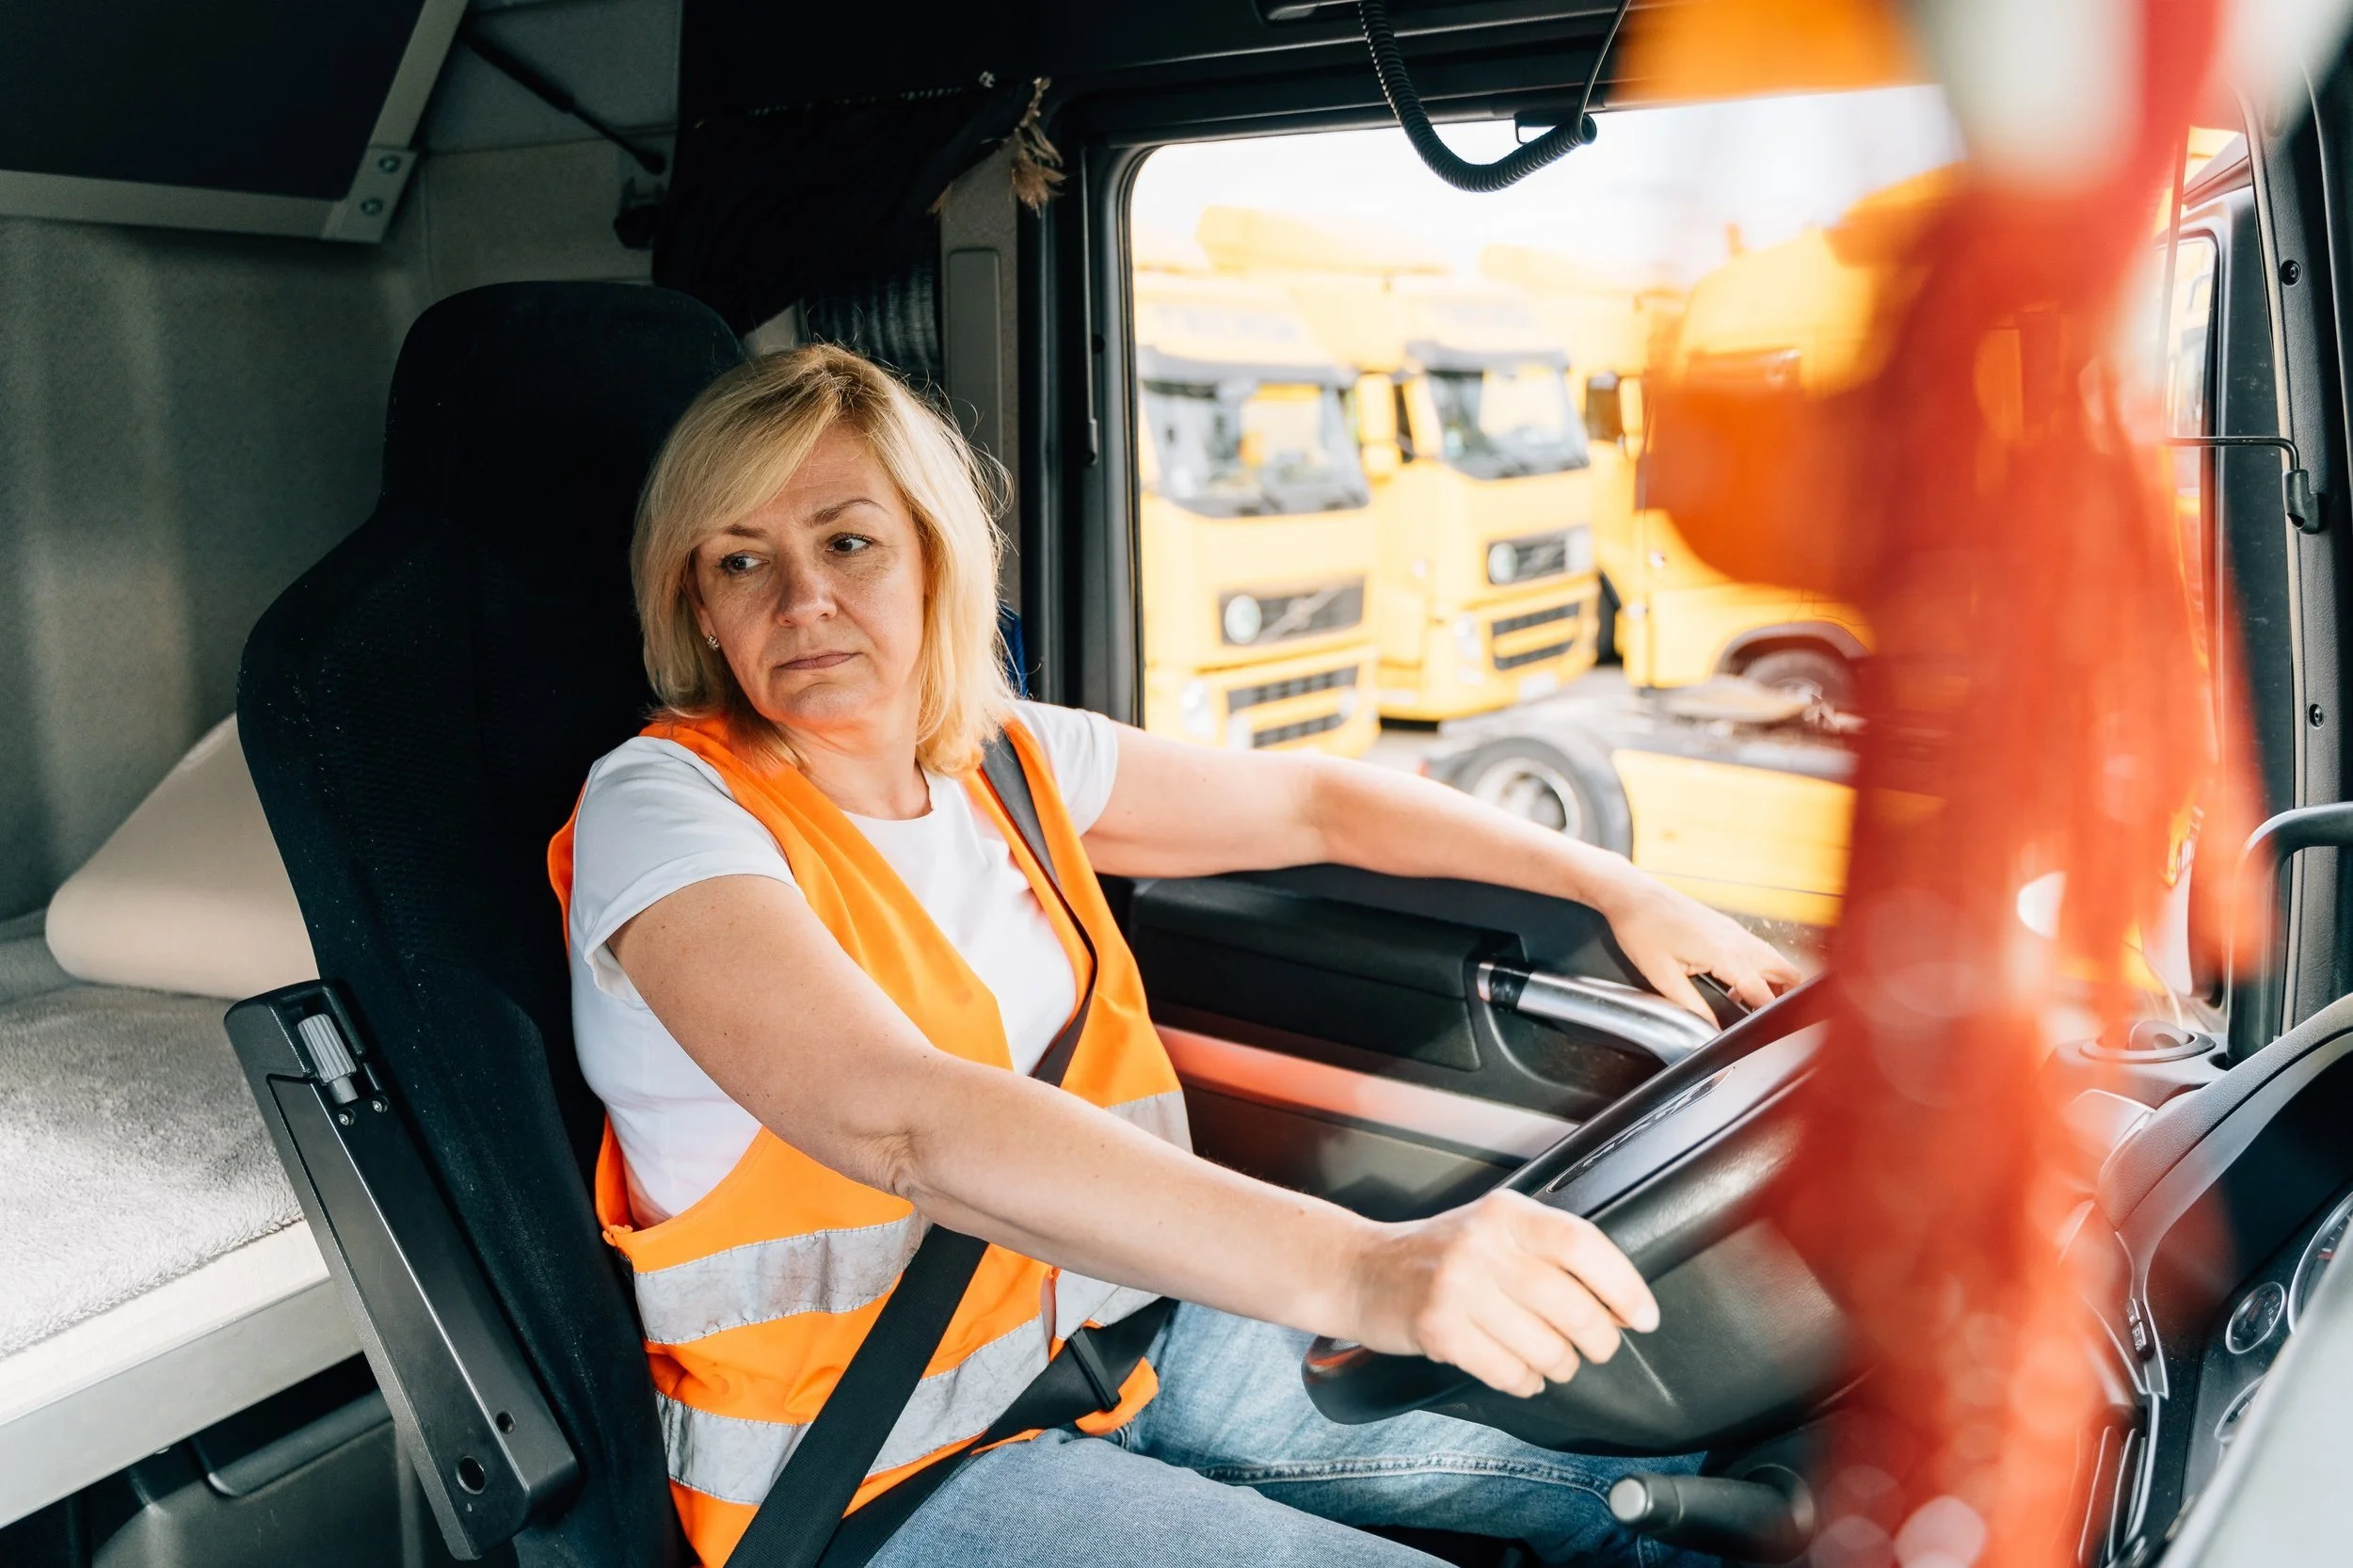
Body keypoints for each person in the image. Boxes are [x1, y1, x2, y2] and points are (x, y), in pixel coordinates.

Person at [551, 344, 1800, 1568]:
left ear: (935, 556)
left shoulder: (998, 759)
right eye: (740, 560)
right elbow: (898, 1119)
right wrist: (1367, 1269)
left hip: (1123, 1329)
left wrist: (1611, 882)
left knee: (1640, 1485)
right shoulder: (659, 808)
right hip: (879, 1461)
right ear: (698, 605)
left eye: (848, 541)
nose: (800, 599)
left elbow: (1313, 804)